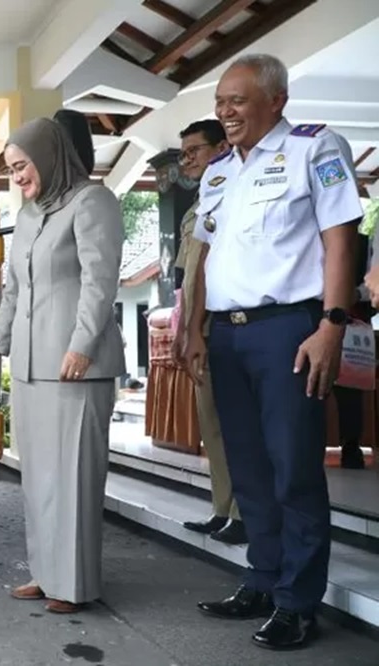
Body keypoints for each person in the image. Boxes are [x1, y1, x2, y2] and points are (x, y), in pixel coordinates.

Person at [183, 54, 362, 651]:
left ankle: (298, 600)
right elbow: (206, 257)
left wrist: (331, 325)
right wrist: (194, 327)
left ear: (276, 100)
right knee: (250, 468)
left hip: (289, 328)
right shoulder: (217, 173)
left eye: (237, 100)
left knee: (294, 468)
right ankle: (261, 579)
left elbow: (341, 240)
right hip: (228, 335)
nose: (224, 112)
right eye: (220, 102)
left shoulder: (316, 149)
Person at [0, 117, 125, 614]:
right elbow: (13, 291)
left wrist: (81, 344)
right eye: (12, 170)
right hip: (31, 366)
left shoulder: (92, 202)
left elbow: (100, 282)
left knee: (74, 478)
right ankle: (45, 573)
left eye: (23, 166)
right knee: (39, 475)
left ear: (50, 155)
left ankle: (76, 585)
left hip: (76, 363)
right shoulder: (31, 216)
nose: (17, 177)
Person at [171, 119, 246, 545]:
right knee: (211, 422)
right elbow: (188, 280)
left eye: (194, 151)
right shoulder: (197, 206)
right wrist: (185, 329)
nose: (187, 160)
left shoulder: (236, 196)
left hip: (228, 320)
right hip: (200, 325)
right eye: (183, 153)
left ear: (220, 148)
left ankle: (243, 512)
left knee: (235, 422)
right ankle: (223, 507)